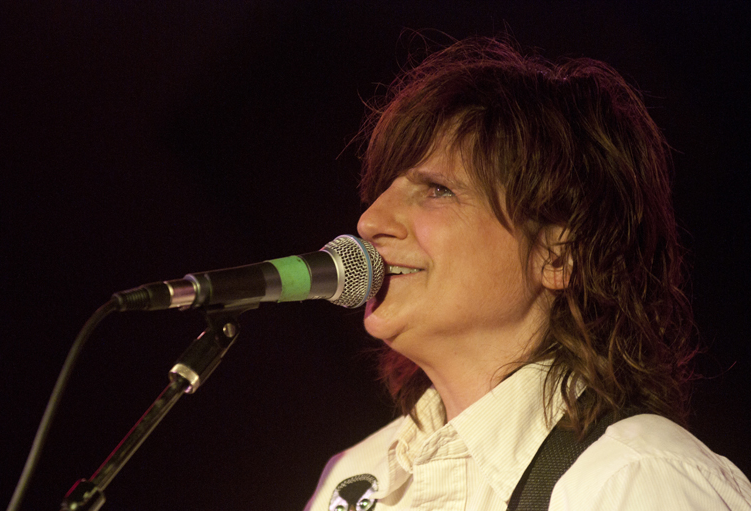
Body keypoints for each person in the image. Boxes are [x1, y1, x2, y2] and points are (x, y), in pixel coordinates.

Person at [305, 36, 751, 511]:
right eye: (383, 189)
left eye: (438, 190)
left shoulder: (635, 480)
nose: (371, 220)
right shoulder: (354, 479)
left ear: (557, 256)